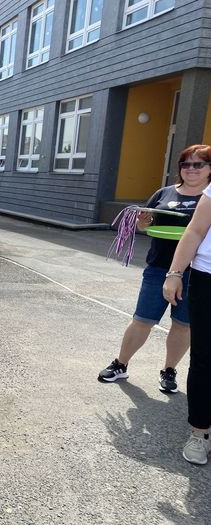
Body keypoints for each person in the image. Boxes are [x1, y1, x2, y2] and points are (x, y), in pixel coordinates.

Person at [98, 144, 211, 392]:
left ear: (209, 168)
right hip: (159, 267)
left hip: (197, 272)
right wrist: (142, 222)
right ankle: (120, 364)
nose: (191, 169)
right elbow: (146, 225)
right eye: (185, 164)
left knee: (182, 325)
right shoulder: (164, 193)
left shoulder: (208, 198)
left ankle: (169, 370)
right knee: (142, 319)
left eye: (198, 164)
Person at [162, 144, 211, 464]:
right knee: (205, 358)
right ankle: (199, 431)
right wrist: (175, 274)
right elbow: (194, 232)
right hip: (207, 278)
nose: (191, 169)